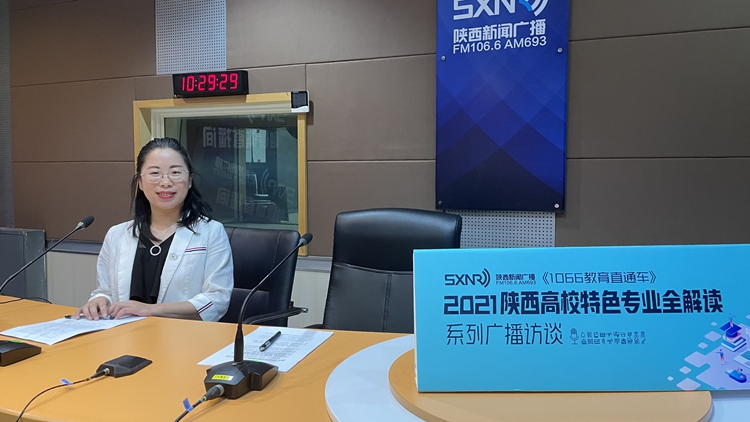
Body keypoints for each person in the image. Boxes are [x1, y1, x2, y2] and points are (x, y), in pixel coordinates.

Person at [76, 138, 233, 322]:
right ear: (140, 183)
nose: (165, 182)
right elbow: (105, 291)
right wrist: (99, 301)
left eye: (175, 172)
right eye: (155, 173)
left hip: (183, 336)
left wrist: (151, 310)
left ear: (190, 180)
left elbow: (217, 299)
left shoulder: (211, 232)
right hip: (124, 334)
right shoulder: (116, 235)